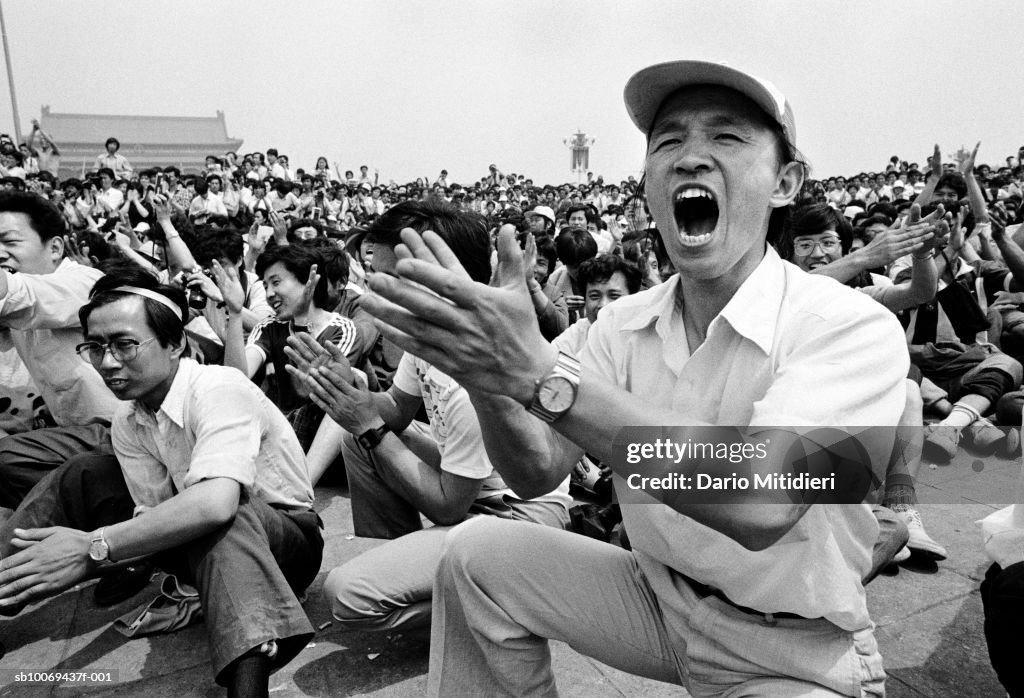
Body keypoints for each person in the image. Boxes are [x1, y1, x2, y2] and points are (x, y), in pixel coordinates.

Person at [361, 60, 908, 696]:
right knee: (479, 555)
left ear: (785, 182)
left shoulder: (850, 326)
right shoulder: (621, 323)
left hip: (794, 644)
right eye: (668, 141)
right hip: (657, 600)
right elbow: (537, 469)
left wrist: (539, 375)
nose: (691, 159)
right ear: (646, 183)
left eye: (726, 138)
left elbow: (766, 501)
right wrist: (484, 374)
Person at [0, 270, 323, 696]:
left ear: (175, 345)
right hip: (195, 545)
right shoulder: (128, 419)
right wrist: (100, 552)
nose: (108, 362)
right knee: (82, 474)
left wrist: (92, 548)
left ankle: (248, 687)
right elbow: (154, 518)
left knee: (224, 510)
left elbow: (215, 505)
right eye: (94, 347)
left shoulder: (218, 387)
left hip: (286, 544)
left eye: (124, 344)